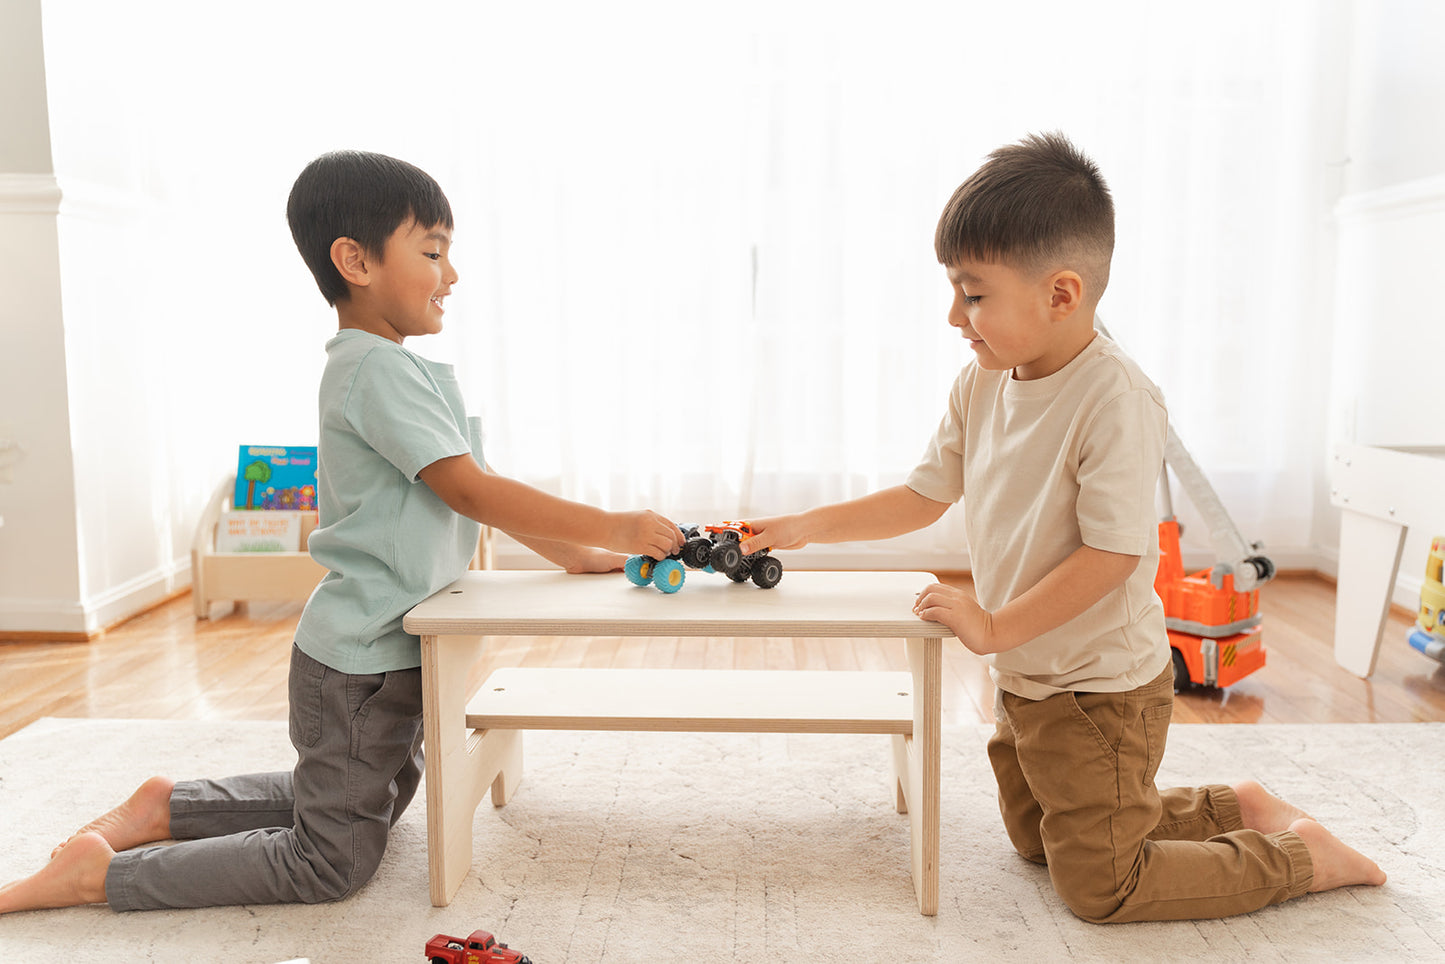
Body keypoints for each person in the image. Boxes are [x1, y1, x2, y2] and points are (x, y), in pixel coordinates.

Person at [0, 150, 683, 915]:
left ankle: (170, 805)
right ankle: (100, 877)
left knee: (368, 804)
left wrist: (578, 553)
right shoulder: (371, 370)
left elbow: (473, 494)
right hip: (357, 666)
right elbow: (470, 489)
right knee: (330, 862)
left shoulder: (406, 371)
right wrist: (616, 526)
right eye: (431, 251)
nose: (450, 274)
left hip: (392, 647)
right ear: (355, 261)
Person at [737, 132, 1385, 922]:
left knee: (1100, 888)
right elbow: (921, 495)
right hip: (1027, 675)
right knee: (1034, 840)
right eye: (952, 290)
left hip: (1098, 688)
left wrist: (993, 624)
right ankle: (1233, 804)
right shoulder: (980, 384)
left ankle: (1297, 856)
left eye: (972, 294)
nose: (952, 315)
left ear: (1062, 294)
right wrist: (802, 526)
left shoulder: (1115, 401)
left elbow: (1113, 556)